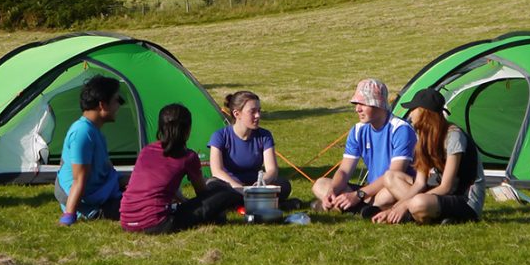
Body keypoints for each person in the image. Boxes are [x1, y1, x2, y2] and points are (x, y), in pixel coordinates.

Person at [371, 87, 485, 225]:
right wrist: (396, 208)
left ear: (424, 112)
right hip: (439, 196)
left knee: (418, 202)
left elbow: (446, 187)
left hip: (465, 200)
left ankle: (417, 214)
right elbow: (420, 183)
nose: (410, 114)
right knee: (390, 177)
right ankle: (428, 216)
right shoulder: (423, 137)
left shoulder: (454, 136)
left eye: (413, 109)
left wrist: (405, 205)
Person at [120, 104, 239, 234]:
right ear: (187, 130)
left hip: (127, 221)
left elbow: (154, 185)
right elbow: (202, 193)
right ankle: (245, 204)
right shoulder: (188, 156)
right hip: (157, 223)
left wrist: (183, 201)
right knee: (223, 192)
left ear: (160, 128)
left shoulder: (146, 151)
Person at [311, 78, 417, 214]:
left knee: (386, 196)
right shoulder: (357, 130)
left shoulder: (400, 129)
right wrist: (332, 191)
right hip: (368, 191)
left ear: (378, 104)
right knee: (320, 184)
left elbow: (394, 174)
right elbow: (344, 170)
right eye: (356, 104)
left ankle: (346, 207)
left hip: (390, 188)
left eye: (363, 104)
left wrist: (358, 195)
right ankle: (355, 207)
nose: (357, 109)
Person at [55, 75, 123, 226]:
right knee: (146, 205)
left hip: (102, 192)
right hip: (92, 206)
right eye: (117, 100)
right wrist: (69, 216)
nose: (119, 105)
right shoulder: (82, 133)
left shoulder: (94, 131)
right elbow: (79, 179)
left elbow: (105, 168)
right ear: (102, 105)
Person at [207, 90, 292, 203]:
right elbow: (217, 171)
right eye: (252, 112)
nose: (258, 115)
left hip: (255, 185)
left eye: (259, 111)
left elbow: (272, 170)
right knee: (212, 185)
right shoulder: (220, 136)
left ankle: (244, 201)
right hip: (231, 185)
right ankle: (255, 200)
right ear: (237, 114)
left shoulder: (265, 135)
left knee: (283, 184)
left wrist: (262, 183)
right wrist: (240, 189)